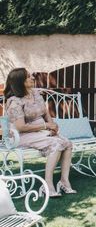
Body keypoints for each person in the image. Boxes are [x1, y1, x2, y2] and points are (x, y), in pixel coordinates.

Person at [4, 68, 74, 197]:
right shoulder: (15, 101)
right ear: (21, 82)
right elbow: (20, 127)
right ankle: (47, 184)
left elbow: (45, 113)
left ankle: (64, 181)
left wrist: (52, 126)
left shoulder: (36, 94)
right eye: (28, 77)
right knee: (56, 144)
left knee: (67, 143)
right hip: (20, 136)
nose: (32, 78)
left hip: (40, 132)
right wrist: (45, 125)